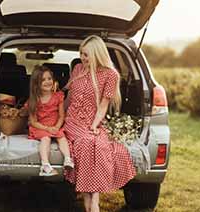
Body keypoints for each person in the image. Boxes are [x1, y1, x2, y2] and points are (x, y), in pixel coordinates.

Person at [63, 35, 136, 212]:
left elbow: (103, 104)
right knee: (86, 142)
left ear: (97, 54)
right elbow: (68, 98)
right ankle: (93, 200)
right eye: (81, 53)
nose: (82, 58)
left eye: (86, 54)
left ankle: (91, 198)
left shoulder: (111, 75)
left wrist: (95, 125)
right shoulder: (78, 69)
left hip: (93, 120)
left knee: (98, 143)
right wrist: (58, 117)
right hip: (72, 120)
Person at [27, 65, 74, 177]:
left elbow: (62, 115)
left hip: (55, 125)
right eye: (43, 80)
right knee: (46, 138)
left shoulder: (58, 96)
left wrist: (57, 127)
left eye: (49, 78)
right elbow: (33, 122)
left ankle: (67, 159)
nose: (47, 82)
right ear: (36, 84)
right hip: (41, 127)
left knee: (62, 137)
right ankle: (45, 166)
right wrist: (47, 128)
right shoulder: (34, 100)